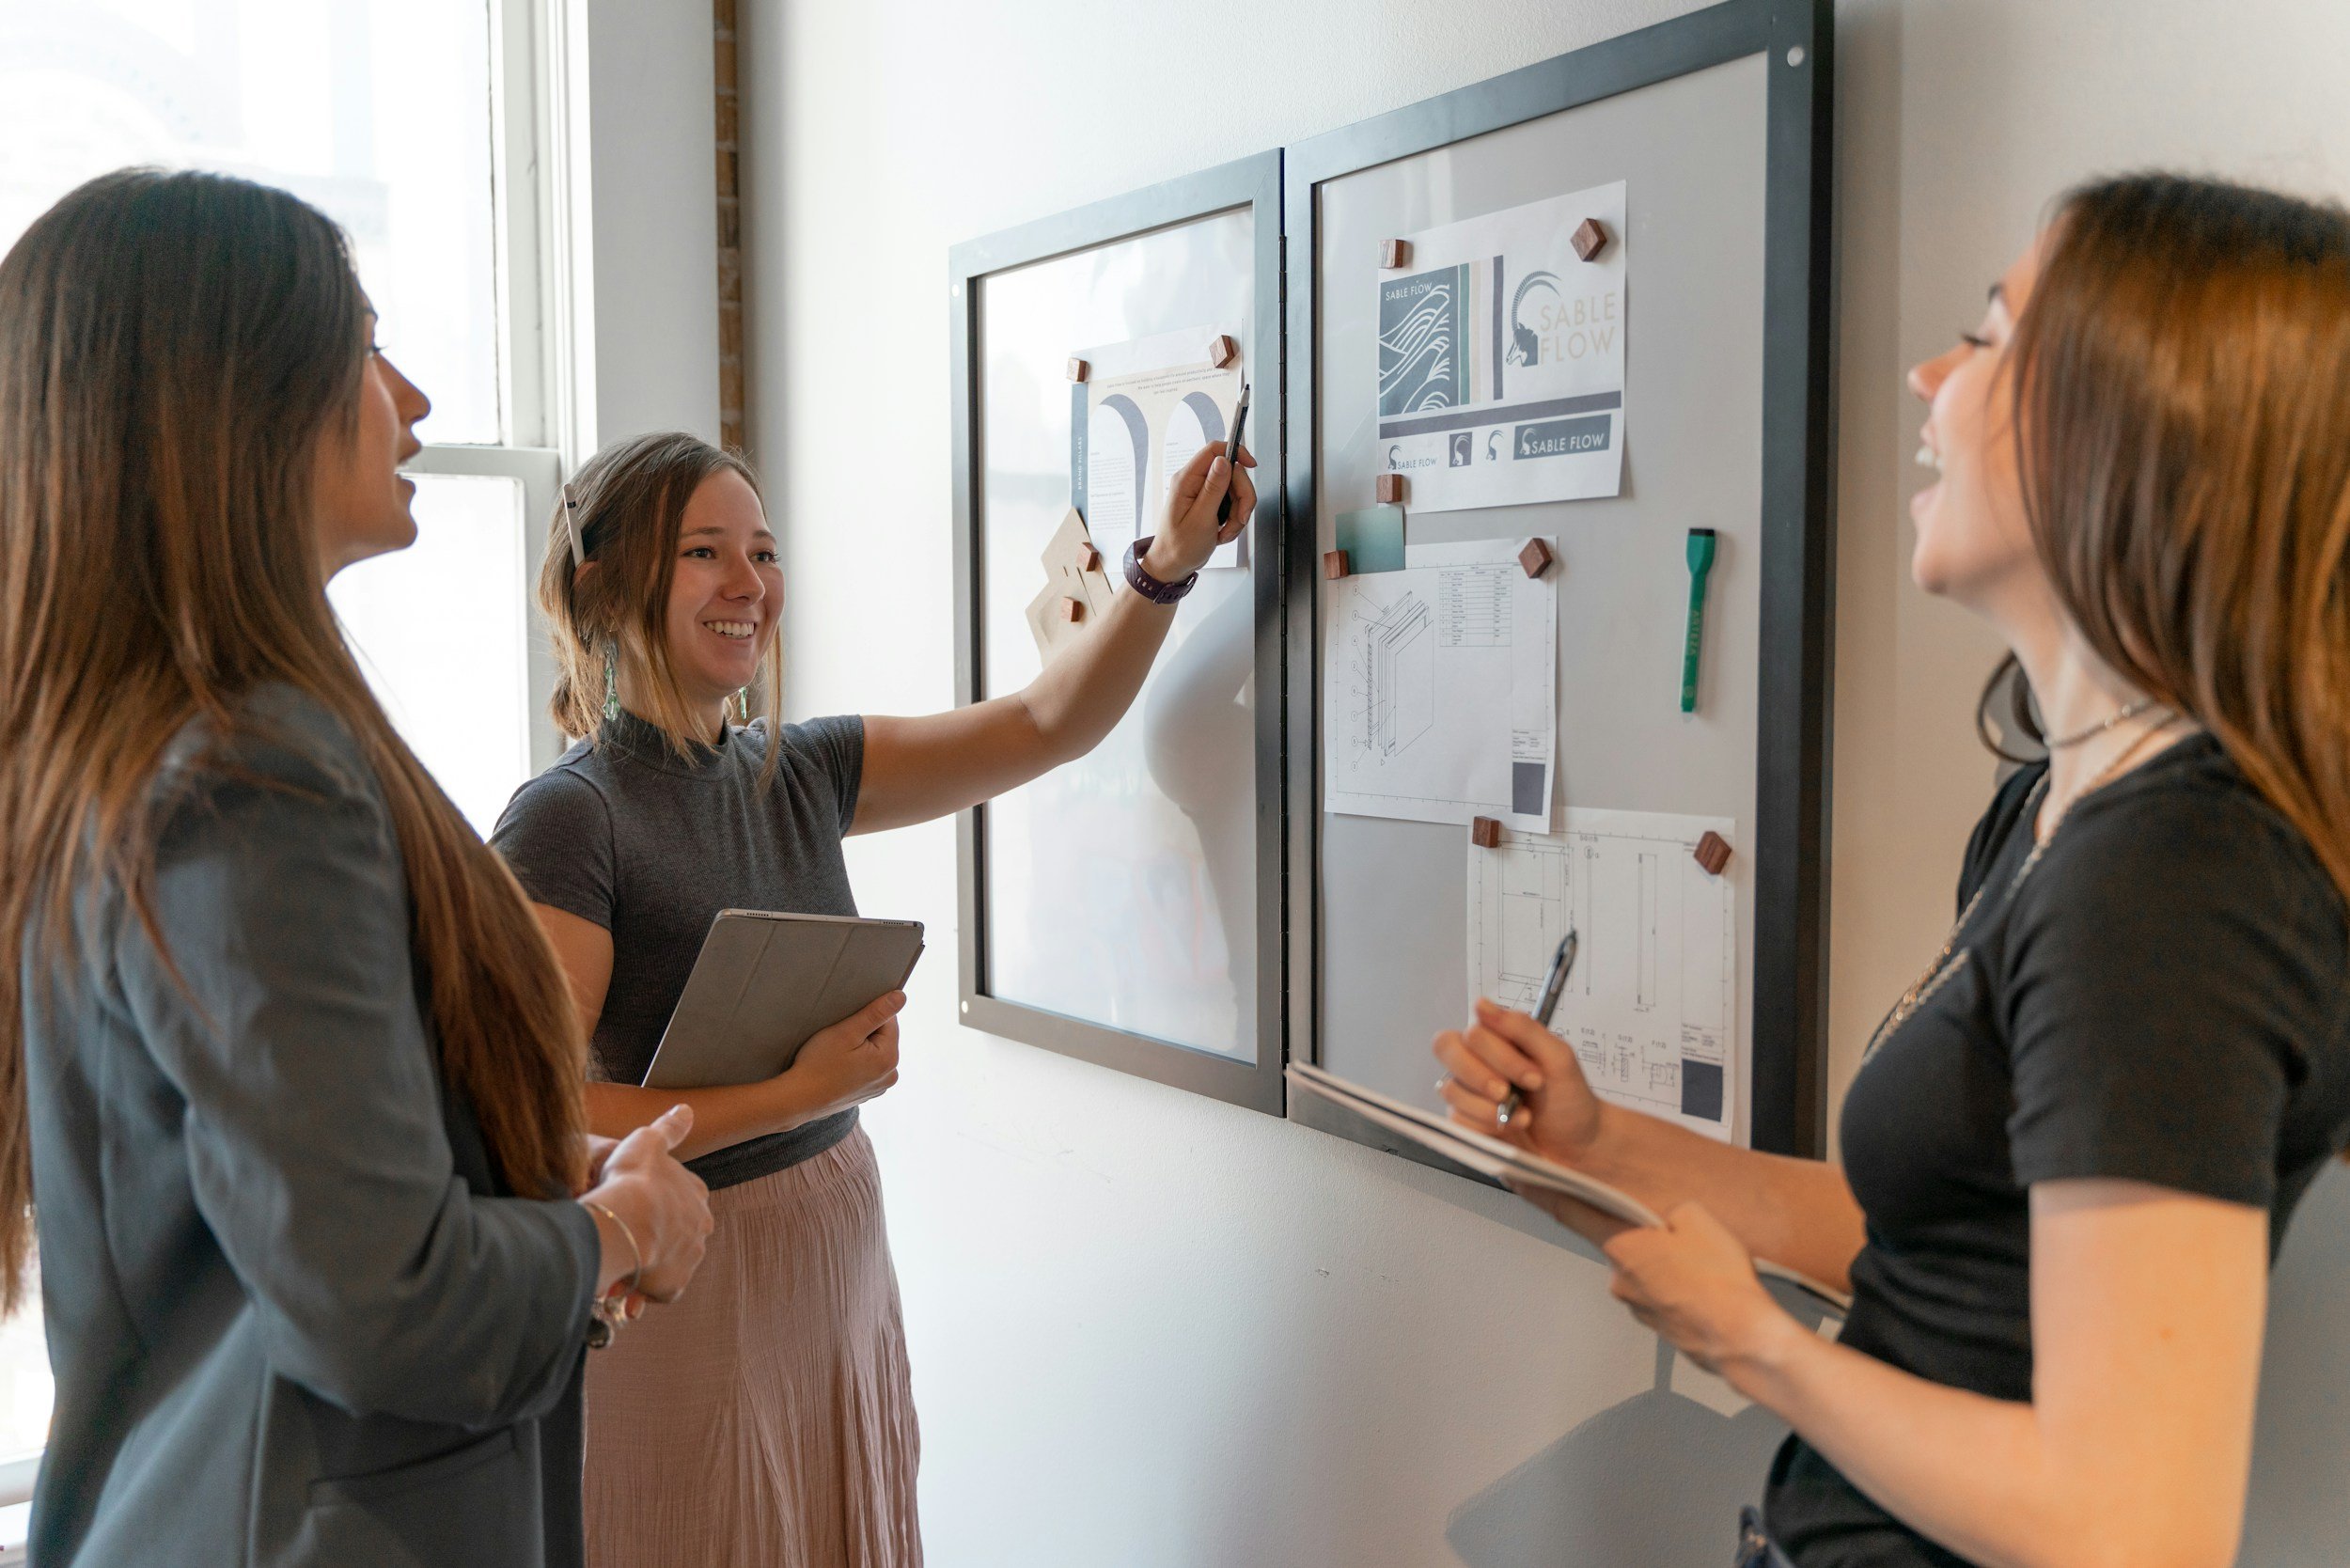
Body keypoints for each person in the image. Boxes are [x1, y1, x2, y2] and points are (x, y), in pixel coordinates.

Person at [1434, 172, 2350, 1568]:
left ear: (2136, 421)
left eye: (1988, 338)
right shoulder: (2059, 811)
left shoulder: (2181, 878)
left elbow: (2135, 1530)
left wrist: (1749, 1342)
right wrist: (1595, 1146)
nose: (1929, 372)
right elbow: (1917, 1233)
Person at [0, 168, 714, 1568]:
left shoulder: (143, 757)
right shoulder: (251, 779)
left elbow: (274, 1186)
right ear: (232, 403)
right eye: (366, 345)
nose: (415, 400)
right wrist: (622, 1228)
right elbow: (383, 1301)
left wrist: (519, 1174)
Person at [491, 428, 1256, 1565]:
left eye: (761, 548)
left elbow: (1048, 724)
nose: (750, 583)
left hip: (830, 1238)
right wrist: (793, 1095)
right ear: (605, 585)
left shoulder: (796, 768)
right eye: (706, 552)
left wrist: (1168, 567)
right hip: (685, 1265)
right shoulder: (571, 817)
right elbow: (532, 1114)